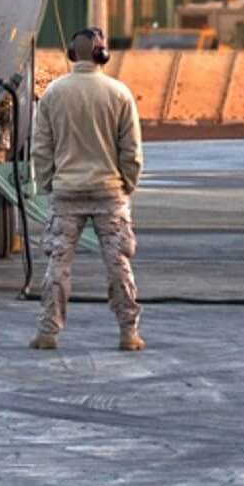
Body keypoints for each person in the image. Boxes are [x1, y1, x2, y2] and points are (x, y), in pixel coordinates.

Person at [29, 27, 144, 352]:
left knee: (58, 263)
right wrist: (127, 184)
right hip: (109, 193)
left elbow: (41, 147)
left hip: (66, 193)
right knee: (118, 264)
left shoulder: (53, 93)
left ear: (72, 53)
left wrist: (49, 182)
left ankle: (48, 332)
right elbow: (131, 151)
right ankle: (128, 332)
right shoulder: (119, 93)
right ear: (100, 53)